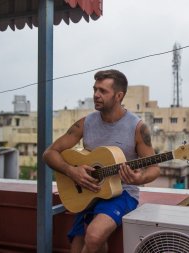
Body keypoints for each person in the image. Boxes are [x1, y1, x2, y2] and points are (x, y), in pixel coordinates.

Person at [43, 69, 160, 253]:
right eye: (95, 89)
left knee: (94, 235)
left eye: (103, 91)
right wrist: (71, 171)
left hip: (122, 193)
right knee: (77, 247)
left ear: (119, 96)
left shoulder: (137, 127)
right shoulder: (85, 123)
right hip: (88, 191)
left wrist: (138, 179)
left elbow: (154, 168)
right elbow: (49, 153)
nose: (96, 95)